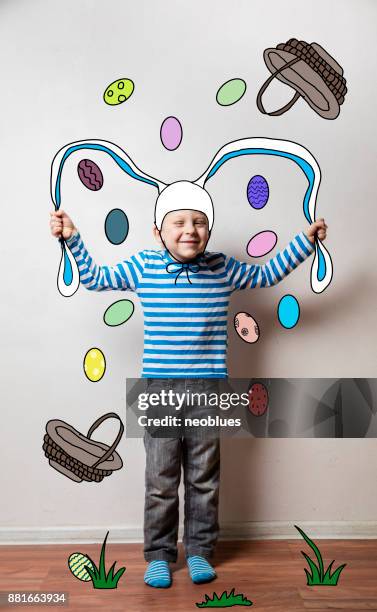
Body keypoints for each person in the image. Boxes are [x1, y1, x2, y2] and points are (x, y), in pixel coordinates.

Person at [49, 204, 327, 588]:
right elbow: (96, 278)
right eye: (178, 223)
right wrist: (72, 237)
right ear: (157, 232)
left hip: (210, 388)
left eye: (199, 223)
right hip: (158, 388)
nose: (189, 230)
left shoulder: (223, 267)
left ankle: (199, 551)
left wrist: (305, 243)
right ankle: (160, 554)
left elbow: (266, 274)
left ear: (208, 230)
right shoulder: (143, 266)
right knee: (160, 477)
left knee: (204, 476)